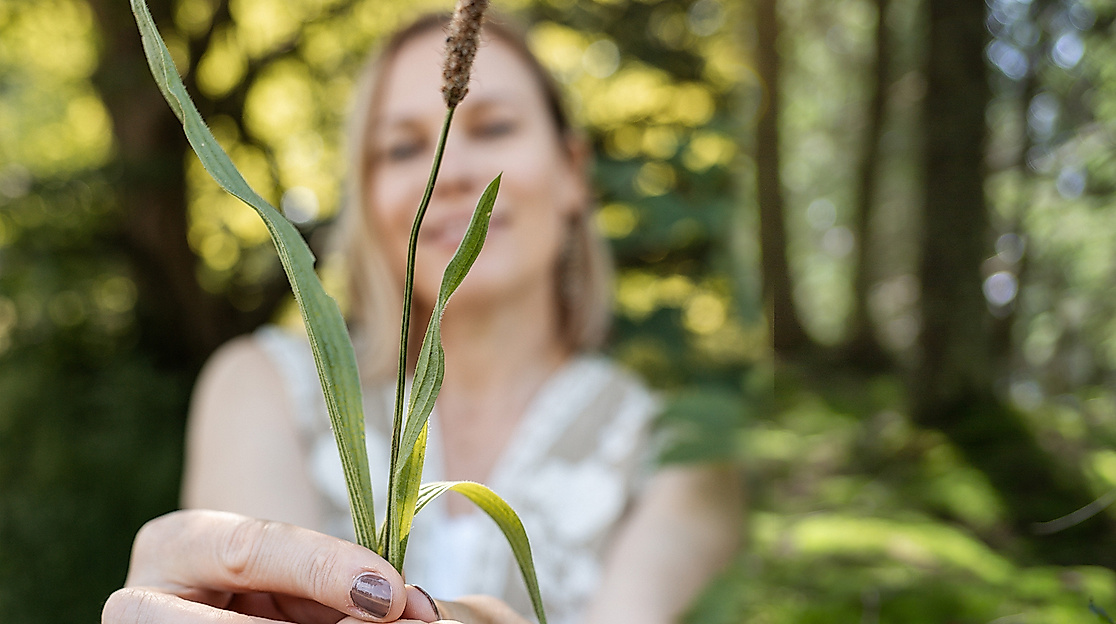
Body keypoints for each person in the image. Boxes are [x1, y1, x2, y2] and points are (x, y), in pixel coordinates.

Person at [103, 11, 741, 624]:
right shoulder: (270, 385)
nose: (452, 173)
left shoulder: (678, 446)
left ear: (573, 172)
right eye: (403, 148)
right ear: (367, 196)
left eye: (493, 129)